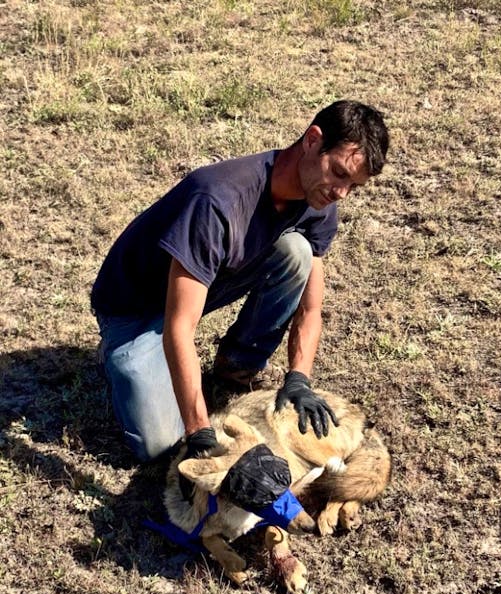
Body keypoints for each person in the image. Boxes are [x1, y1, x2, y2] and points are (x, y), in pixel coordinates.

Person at [91, 100, 389, 468]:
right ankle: (120, 354)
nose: (341, 193)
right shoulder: (218, 200)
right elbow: (179, 326)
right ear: (313, 140)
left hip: (205, 287)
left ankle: (236, 365)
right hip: (134, 308)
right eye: (340, 173)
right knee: (160, 445)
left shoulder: (319, 200)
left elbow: (311, 309)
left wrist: (299, 379)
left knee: (297, 251)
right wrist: (199, 430)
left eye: (353, 186)